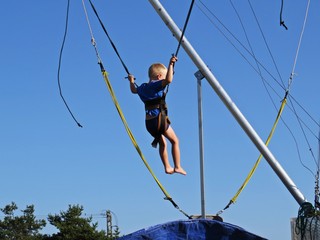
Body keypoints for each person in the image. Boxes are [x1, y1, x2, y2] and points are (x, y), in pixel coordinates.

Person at [127, 56, 186, 175]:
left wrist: (131, 81)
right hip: (160, 121)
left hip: (149, 124)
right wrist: (170, 64)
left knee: (162, 143)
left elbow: (133, 90)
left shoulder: (143, 88)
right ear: (159, 77)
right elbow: (168, 80)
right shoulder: (156, 85)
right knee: (175, 141)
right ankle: (177, 166)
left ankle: (167, 167)